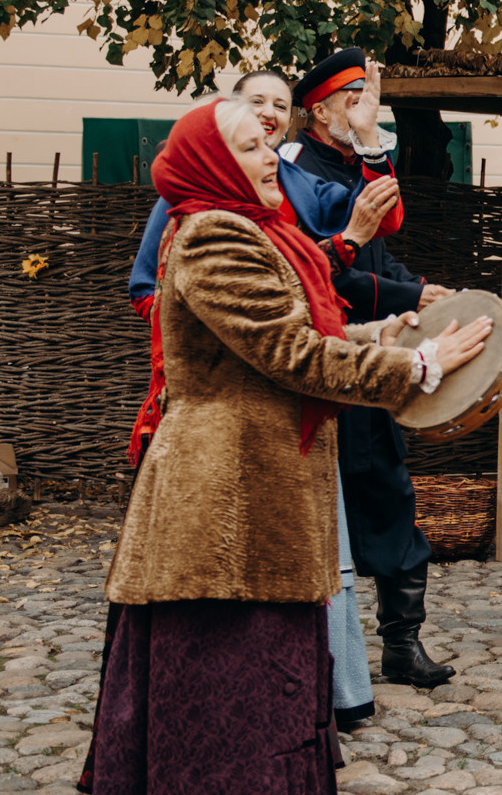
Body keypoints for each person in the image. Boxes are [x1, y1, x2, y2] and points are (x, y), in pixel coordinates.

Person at [91, 98, 488, 795]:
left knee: (268, 695)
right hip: (220, 505)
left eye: (270, 143)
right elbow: (289, 354)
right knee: (224, 700)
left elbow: (316, 329)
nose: (271, 156)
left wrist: (387, 329)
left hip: (264, 490)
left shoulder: (266, 233)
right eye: (249, 146)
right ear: (210, 164)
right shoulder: (208, 236)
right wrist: (416, 364)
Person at [127, 69, 405, 732]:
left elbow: (356, 244)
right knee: (227, 635)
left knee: (299, 599)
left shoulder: (285, 195)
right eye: (260, 112)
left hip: (287, 429)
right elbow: (285, 333)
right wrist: (408, 364)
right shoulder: (202, 223)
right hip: (226, 442)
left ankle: (320, 716)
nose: (271, 127)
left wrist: (370, 143)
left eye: (279, 109)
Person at [282, 48, 460, 690]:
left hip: (370, 359)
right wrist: (404, 296)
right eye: (351, 96)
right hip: (321, 364)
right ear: (320, 107)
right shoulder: (292, 170)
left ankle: (401, 645)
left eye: (367, 94)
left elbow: (377, 254)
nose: (364, 106)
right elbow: (326, 274)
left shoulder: (358, 164)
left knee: (388, 491)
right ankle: (323, 656)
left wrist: (417, 288)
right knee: (323, 511)